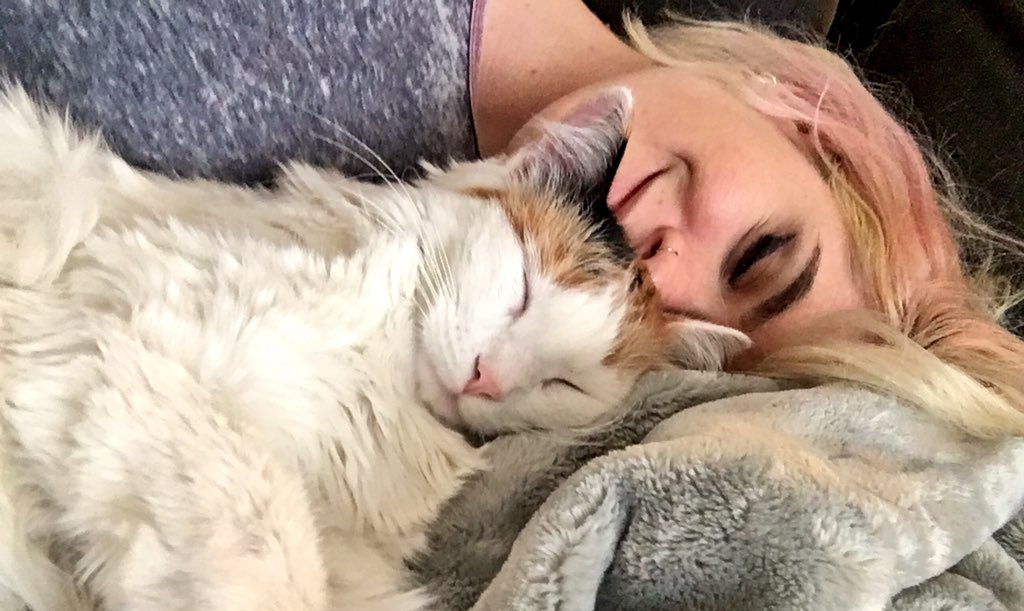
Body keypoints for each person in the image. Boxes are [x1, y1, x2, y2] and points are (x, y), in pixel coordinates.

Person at [2, 0, 1022, 438]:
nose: (655, 282)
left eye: (665, 348)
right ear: (809, 120)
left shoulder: (420, 317)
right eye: (759, 255)